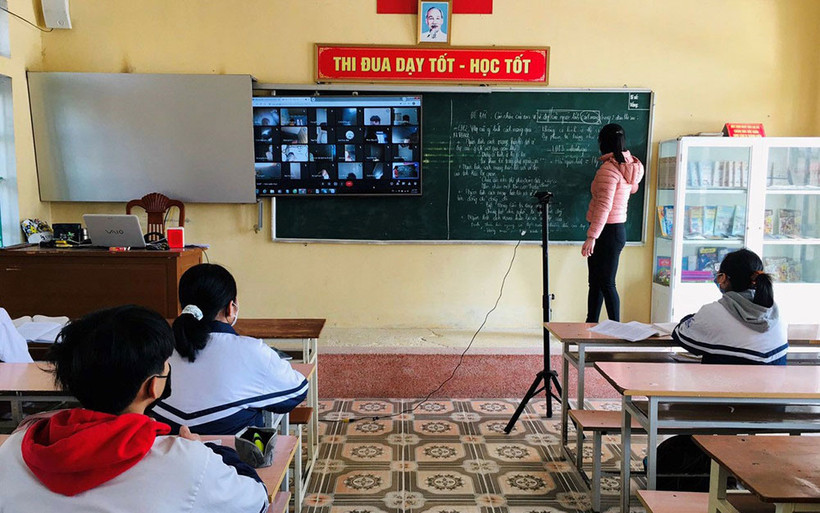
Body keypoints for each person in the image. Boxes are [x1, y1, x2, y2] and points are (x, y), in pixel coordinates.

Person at [0, 305, 268, 512]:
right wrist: (212, 452)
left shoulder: (13, 451)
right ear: (152, 386)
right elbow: (256, 500)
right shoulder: (185, 462)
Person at [149, 264, 308, 435]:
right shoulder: (251, 351)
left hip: (164, 449)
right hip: (233, 451)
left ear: (183, 307)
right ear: (231, 307)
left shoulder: (155, 348)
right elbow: (296, 392)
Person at [672, 248, 788, 365]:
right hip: (773, 377)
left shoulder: (714, 313)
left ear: (723, 278)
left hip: (723, 377)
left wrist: (692, 317)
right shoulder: (776, 313)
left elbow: (681, 334)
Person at [581, 123, 644, 322]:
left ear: (603, 142)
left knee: (606, 283)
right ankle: (591, 325)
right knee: (597, 282)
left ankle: (615, 330)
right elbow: (633, 188)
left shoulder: (609, 170)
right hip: (616, 231)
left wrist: (592, 236)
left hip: (606, 232)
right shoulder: (629, 166)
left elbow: (604, 206)